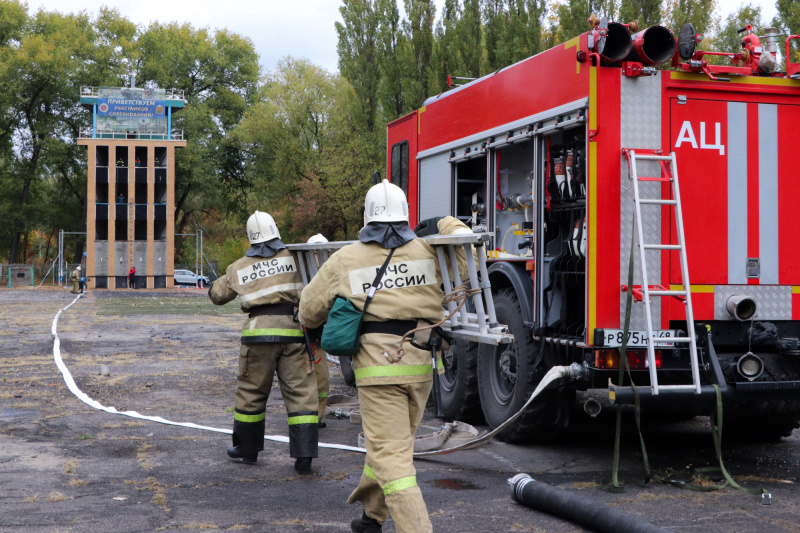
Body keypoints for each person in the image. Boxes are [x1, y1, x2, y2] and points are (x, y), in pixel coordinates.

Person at [299, 180, 471, 533]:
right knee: (393, 445)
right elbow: (466, 255)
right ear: (406, 216)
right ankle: (371, 519)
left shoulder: (345, 258)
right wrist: (443, 221)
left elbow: (308, 311)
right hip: (421, 367)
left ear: (368, 217)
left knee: (393, 461)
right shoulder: (430, 251)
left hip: (377, 372)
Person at [209, 211, 318, 474]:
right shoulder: (295, 256)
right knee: (301, 393)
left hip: (257, 335)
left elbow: (217, 296)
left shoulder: (239, 266)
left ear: (251, 237)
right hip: (293, 332)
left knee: (252, 392)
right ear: (275, 230)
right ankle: (304, 456)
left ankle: (247, 450)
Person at [306, 233, 331, 428]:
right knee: (303, 380)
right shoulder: (302, 274)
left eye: (322, 252)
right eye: (315, 252)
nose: (319, 257)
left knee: (321, 380)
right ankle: (305, 417)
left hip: (318, 337)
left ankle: (317, 416)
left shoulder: (332, 272)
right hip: (303, 334)